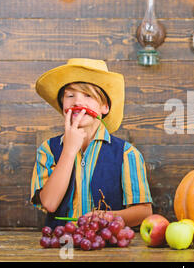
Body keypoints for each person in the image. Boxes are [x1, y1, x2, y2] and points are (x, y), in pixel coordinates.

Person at [30, 58, 153, 228]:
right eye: (70, 95)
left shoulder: (127, 154)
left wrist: (105, 217)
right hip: (61, 245)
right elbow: (49, 203)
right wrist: (69, 151)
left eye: (88, 95)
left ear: (105, 107)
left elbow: (144, 212)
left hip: (107, 249)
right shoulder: (47, 150)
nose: (78, 102)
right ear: (62, 105)